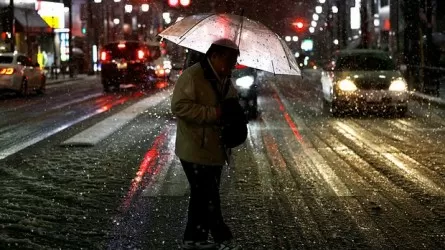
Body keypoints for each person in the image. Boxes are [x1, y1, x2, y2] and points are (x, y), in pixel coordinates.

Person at [171, 39, 242, 250]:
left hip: (214, 148)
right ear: (216, 56)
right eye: (230, 60)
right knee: (209, 196)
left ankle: (193, 240)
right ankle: (223, 238)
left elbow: (229, 103)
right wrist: (214, 113)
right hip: (194, 148)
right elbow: (179, 107)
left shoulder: (223, 77)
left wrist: (232, 108)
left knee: (201, 196)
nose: (233, 65)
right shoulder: (193, 76)